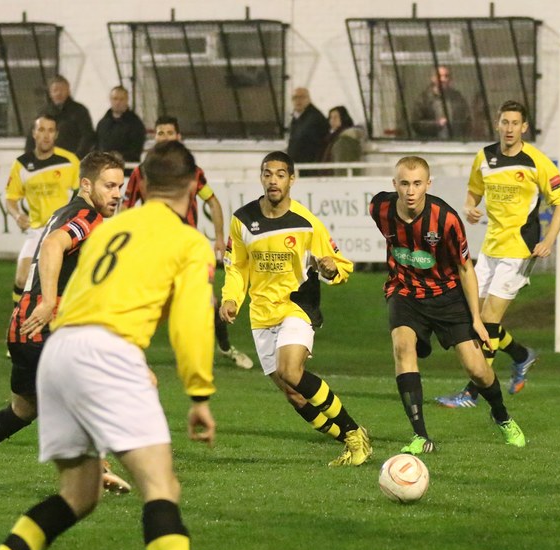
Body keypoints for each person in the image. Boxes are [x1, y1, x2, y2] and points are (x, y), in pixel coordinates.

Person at [0, 140, 217, 550]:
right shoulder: (188, 242)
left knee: (78, 495)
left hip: (59, 351)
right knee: (161, 486)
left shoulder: (114, 229)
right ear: (194, 186)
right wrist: (198, 391)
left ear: (139, 184)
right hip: (106, 352)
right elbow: (191, 321)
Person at [0, 152, 129, 495]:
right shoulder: (86, 216)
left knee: (23, 409)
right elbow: (54, 246)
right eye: (109, 185)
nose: (117, 193)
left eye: (120, 186)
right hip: (45, 328)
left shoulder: (64, 212)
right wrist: (51, 301)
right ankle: (94, 468)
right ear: (86, 184)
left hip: (24, 325)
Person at [220, 151, 371, 467]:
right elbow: (237, 266)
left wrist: (330, 270)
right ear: (261, 177)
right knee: (293, 394)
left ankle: (354, 431)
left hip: (297, 306)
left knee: (291, 370)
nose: (273, 180)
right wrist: (231, 299)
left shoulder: (306, 223)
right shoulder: (242, 220)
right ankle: (350, 441)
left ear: (291, 179)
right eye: (267, 173)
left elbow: (339, 266)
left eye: (279, 174)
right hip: (261, 315)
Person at [370, 156, 526, 453]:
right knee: (402, 348)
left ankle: (502, 416)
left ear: (428, 184)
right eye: (404, 184)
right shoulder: (380, 208)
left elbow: (466, 268)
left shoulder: (446, 219)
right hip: (405, 292)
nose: (411, 191)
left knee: (477, 370)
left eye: (417, 184)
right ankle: (420, 436)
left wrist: (477, 320)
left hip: (447, 296)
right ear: (395, 185)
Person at [436, 100, 560, 409]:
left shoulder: (537, 161)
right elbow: (473, 191)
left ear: (524, 127)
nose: (509, 128)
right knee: (474, 320)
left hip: (520, 249)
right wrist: (470, 206)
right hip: (491, 247)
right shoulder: (485, 157)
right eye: (504, 122)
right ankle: (522, 355)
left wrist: (549, 239)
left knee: (490, 319)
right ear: (498, 124)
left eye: (515, 123)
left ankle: (472, 392)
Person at [123, 115, 252, 370]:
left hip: (185, 249)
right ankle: (126, 350)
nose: (165, 137)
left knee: (208, 301)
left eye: (169, 133)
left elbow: (212, 202)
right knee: (140, 299)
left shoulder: (192, 172)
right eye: (160, 133)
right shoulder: (141, 173)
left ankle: (224, 348)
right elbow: (125, 210)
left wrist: (218, 238)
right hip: (152, 247)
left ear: (178, 137)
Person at [5, 113, 80, 305]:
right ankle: (18, 321)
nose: (46, 135)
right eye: (41, 129)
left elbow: (81, 193)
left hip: (63, 231)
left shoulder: (69, 161)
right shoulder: (21, 165)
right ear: (34, 134)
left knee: (65, 284)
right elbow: (11, 199)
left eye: (50, 130)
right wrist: (17, 215)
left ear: (56, 135)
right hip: (37, 230)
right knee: (22, 279)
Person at [26, 75, 94, 158]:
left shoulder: (79, 111)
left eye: (62, 90)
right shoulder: (43, 113)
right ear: (50, 93)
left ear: (68, 91)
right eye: (55, 90)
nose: (58, 93)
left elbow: (87, 136)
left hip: (71, 160)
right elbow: (32, 137)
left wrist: (77, 157)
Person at [410, 65, 472, 140]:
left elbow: (467, 120)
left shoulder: (457, 98)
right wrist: (436, 125)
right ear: (433, 78)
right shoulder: (424, 99)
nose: (443, 79)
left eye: (446, 76)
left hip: (456, 145)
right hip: (432, 145)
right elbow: (416, 123)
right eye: (439, 76)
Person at [95, 85, 147, 168]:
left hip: (126, 169)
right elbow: (97, 146)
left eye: (121, 99)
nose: (118, 102)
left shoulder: (136, 124)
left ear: (127, 100)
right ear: (110, 100)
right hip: (104, 170)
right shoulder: (102, 123)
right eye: (115, 99)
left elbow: (135, 150)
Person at [286, 87, 329, 164]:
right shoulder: (297, 117)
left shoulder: (315, 118)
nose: (298, 101)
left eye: (301, 97)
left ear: (309, 99)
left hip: (309, 166)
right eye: (295, 98)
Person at [321, 105, 364, 175]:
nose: (332, 121)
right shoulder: (335, 138)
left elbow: (341, 169)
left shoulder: (344, 141)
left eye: (335, 117)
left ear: (343, 118)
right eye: (330, 118)